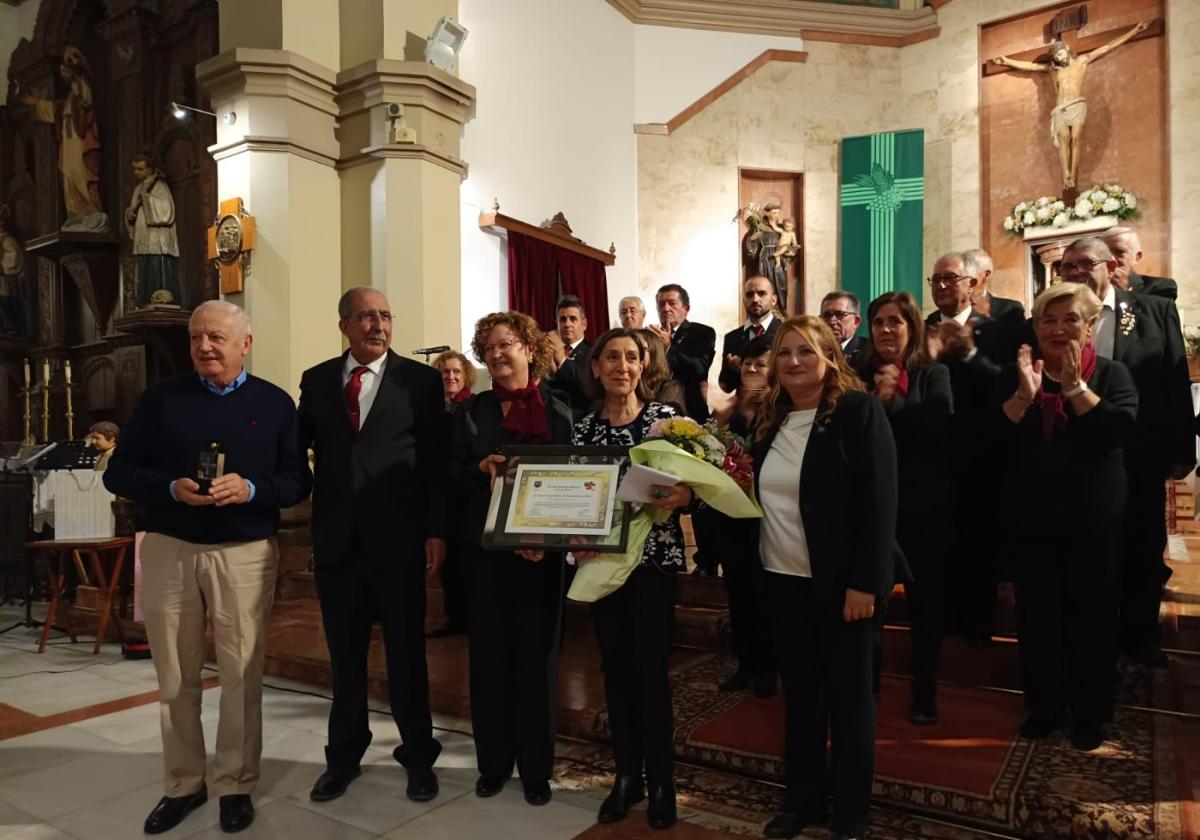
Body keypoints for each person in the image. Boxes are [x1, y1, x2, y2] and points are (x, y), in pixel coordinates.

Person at [103, 300, 312, 835]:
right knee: (175, 675)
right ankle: (184, 782)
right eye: (197, 337)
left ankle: (236, 783)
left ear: (246, 342)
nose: (204, 347)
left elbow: (296, 482)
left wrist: (252, 489)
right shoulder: (161, 399)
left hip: (243, 551)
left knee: (242, 673)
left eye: (216, 337)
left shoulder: (274, 404)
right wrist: (169, 488)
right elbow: (119, 471)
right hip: (171, 546)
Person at [298, 287, 447, 805]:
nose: (377, 325)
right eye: (365, 317)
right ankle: (343, 757)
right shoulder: (317, 381)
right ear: (344, 325)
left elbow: (435, 462)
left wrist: (435, 530)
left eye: (385, 315)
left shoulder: (421, 381)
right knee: (345, 657)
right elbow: (298, 450)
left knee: (407, 654)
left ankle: (418, 756)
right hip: (338, 541)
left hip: (400, 540)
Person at [754, 316, 898, 840]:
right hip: (782, 576)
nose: (794, 362)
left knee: (849, 698)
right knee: (802, 696)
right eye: (784, 352)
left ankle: (852, 814)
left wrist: (866, 582)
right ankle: (804, 801)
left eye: (806, 352)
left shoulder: (857, 412)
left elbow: (880, 503)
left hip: (843, 584)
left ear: (830, 357)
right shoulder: (770, 419)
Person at [994, 282, 1137, 750]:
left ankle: (1090, 713)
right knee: (1038, 618)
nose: (1058, 329)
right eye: (1047, 321)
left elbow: (1115, 431)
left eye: (1070, 319)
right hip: (1033, 520)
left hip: (1094, 522)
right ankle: (1046, 706)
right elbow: (991, 443)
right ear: (1034, 328)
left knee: (1092, 618)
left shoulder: (1113, 374)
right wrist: (1023, 396)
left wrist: (1075, 388)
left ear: (1091, 326)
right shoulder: (1017, 373)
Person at [449, 311, 573, 805]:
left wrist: (549, 538)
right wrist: (480, 467)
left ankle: (537, 767)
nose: (499, 354)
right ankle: (494, 763)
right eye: (490, 347)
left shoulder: (560, 409)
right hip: (486, 555)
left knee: (539, 660)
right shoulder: (470, 412)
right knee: (490, 658)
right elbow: (449, 474)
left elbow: (576, 478)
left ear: (528, 348)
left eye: (508, 344)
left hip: (543, 557)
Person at [572, 327, 693, 831]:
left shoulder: (667, 422)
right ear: (596, 368)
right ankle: (627, 777)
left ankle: (662, 781)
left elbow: (697, 487)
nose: (622, 366)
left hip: (652, 563)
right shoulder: (583, 430)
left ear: (645, 366)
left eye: (631, 357)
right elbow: (576, 495)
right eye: (612, 358)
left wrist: (684, 497)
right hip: (602, 564)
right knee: (614, 672)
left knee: (649, 673)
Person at [1057, 237, 1195, 667]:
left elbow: (1173, 381)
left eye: (1085, 263)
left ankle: (1138, 635)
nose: (1077, 272)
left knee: (1141, 545)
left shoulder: (1154, 311)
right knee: (1087, 551)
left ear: (1111, 264)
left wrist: (1181, 446)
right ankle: (1084, 632)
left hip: (1139, 450)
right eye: (1067, 266)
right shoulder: (1054, 317)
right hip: (1077, 459)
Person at [857, 292, 953, 725]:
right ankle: (866, 685)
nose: (886, 330)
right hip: (871, 505)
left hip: (921, 507)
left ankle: (924, 691)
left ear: (912, 326)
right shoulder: (855, 372)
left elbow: (938, 429)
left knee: (925, 605)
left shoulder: (933, 374)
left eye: (895, 321)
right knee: (867, 602)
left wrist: (890, 401)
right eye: (878, 322)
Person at [991, 22, 1148, 190]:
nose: (1059, 57)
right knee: (1063, 139)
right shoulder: (1053, 71)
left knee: (1075, 139)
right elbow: (1031, 66)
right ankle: (1065, 174)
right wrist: (1007, 61)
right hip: (1060, 107)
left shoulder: (1081, 61)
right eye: (1056, 56)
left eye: (1060, 53)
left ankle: (1072, 174)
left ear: (1066, 49)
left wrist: (1133, 31)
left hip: (1077, 105)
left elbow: (1107, 47)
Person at [710, 334, 777, 696]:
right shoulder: (728, 413)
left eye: (761, 364)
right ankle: (745, 664)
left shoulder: (781, 411)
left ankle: (767, 670)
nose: (752, 369)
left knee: (764, 597)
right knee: (738, 594)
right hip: (731, 516)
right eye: (748, 363)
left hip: (766, 519)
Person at [21, 45, 108, 228]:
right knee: (68, 178)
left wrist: (75, 72)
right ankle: (75, 212)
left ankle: (90, 210)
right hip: (67, 146)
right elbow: (52, 109)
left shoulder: (81, 95)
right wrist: (37, 102)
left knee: (81, 175)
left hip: (80, 143)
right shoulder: (66, 102)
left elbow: (86, 96)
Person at [428, 349, 477, 639]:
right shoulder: (433, 409)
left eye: (456, 372)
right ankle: (454, 617)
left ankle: (469, 618)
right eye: (445, 372)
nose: (451, 377)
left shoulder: (472, 406)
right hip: (441, 493)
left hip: (464, 493)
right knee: (447, 562)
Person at [650, 283, 715, 421]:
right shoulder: (650, 336)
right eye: (661, 304)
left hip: (689, 412)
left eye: (672, 303)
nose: (666, 308)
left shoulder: (702, 332)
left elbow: (699, 369)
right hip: (653, 411)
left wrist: (669, 347)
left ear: (686, 308)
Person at [126, 153, 181, 307]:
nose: (136, 172)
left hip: (157, 238)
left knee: (157, 268)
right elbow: (133, 209)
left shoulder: (159, 186)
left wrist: (148, 199)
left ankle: (160, 298)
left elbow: (167, 211)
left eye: (140, 169)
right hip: (144, 236)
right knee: (144, 269)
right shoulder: (139, 188)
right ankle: (143, 301)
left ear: (150, 170)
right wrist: (130, 214)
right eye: (135, 169)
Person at [718, 275, 780, 393]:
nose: (755, 299)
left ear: (773, 300)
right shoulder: (732, 337)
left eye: (761, 293)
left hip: (779, 406)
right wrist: (734, 370)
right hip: (745, 407)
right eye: (750, 295)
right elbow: (725, 386)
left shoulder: (786, 332)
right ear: (744, 301)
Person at [547, 295, 594, 421]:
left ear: (584, 324)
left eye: (573, 319)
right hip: (549, 418)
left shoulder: (594, 351)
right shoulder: (547, 350)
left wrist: (562, 360)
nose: (567, 324)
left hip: (580, 419)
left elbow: (589, 386)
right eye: (562, 319)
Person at [1102, 226, 1177, 300]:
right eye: (1105, 252)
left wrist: (1123, 290)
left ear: (1137, 257)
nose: (1111, 259)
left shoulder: (1161, 287)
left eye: (1119, 252)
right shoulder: (1093, 290)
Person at [965, 248, 1025, 325]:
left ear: (986, 274)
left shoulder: (1011, 308)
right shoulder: (950, 309)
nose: (964, 276)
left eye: (969, 270)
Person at [636, 328, 685, 414]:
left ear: (654, 353)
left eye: (641, 349)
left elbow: (665, 422)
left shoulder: (670, 388)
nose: (635, 353)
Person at [818, 291, 867, 368]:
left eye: (839, 314)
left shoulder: (869, 353)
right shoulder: (815, 352)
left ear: (856, 321)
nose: (832, 321)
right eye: (826, 315)